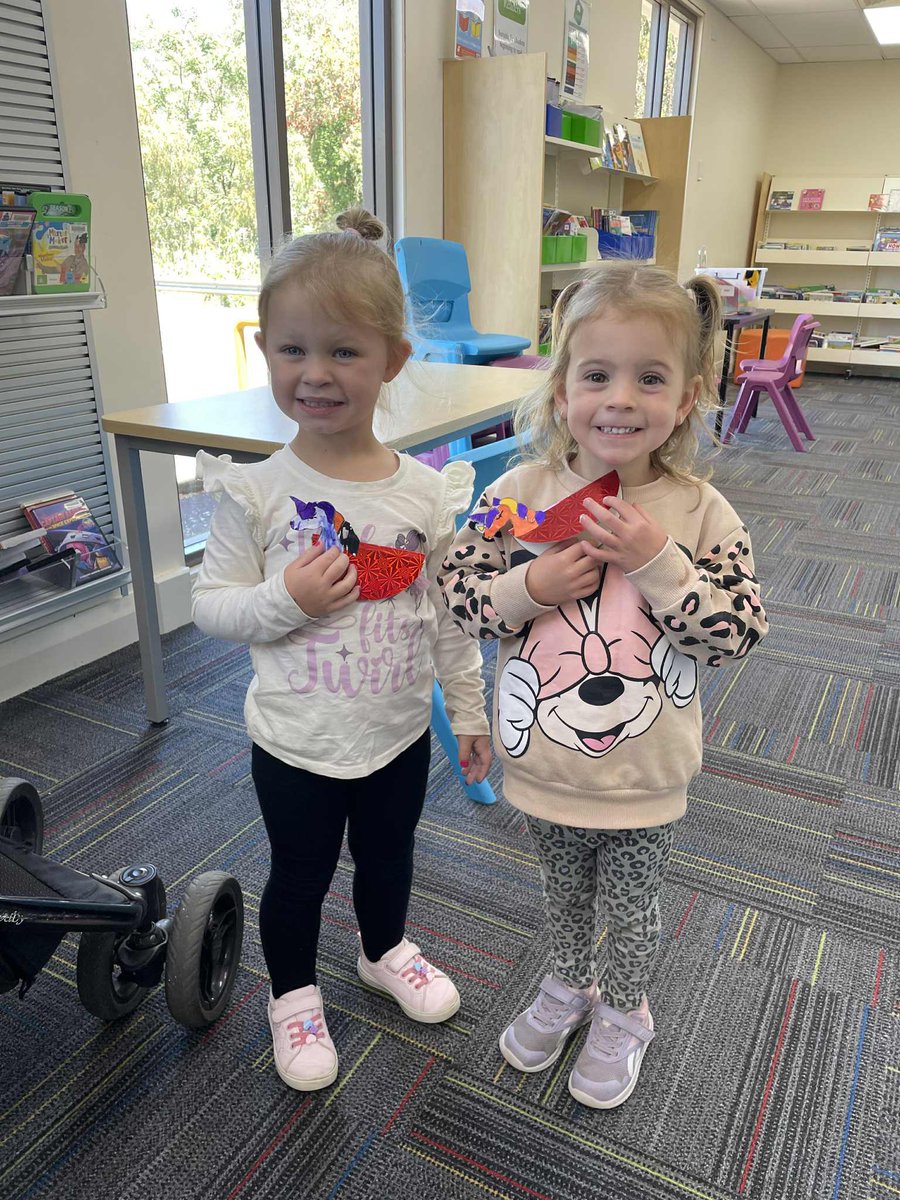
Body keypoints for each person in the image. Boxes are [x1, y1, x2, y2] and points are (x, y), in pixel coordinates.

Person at [438, 262, 768, 1110]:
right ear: (559, 391)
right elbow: (460, 592)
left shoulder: (700, 512)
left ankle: (626, 1011)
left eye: (649, 377)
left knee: (632, 906)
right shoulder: (518, 497)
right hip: (544, 767)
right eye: (597, 374)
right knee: (560, 895)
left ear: (687, 397)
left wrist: (659, 562)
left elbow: (737, 632)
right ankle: (566, 985)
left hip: (646, 775)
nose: (620, 398)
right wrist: (530, 589)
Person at [192, 207, 491, 1093]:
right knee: (299, 874)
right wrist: (283, 600)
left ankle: (383, 949)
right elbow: (210, 608)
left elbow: (446, 618)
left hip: (395, 733)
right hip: (295, 740)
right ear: (266, 350)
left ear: (393, 360)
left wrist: (468, 714)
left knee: (391, 855)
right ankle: (292, 997)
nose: (314, 374)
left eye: (343, 352)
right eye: (292, 350)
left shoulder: (427, 495)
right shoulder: (257, 494)